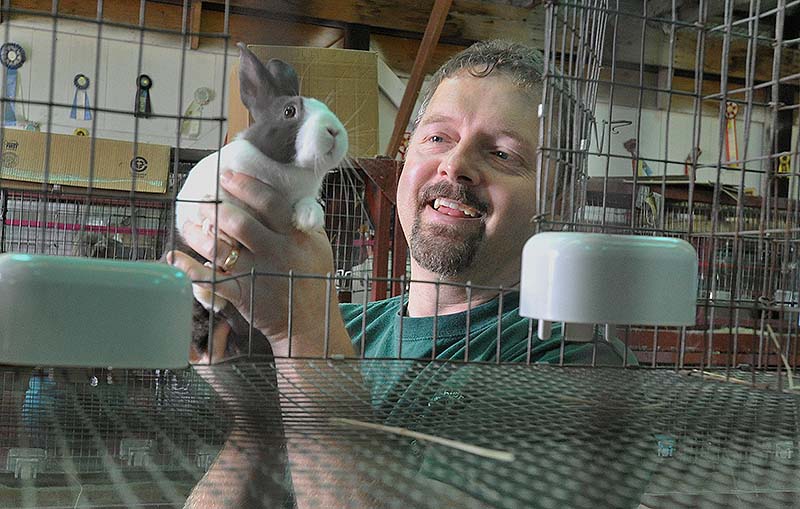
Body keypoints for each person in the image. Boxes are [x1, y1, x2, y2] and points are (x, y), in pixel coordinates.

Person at [172, 39, 640, 508]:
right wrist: (258, 422)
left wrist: (304, 333)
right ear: (403, 161)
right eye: (437, 138)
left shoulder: (580, 364)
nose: (455, 165)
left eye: (501, 154)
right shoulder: (348, 328)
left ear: (560, 200)